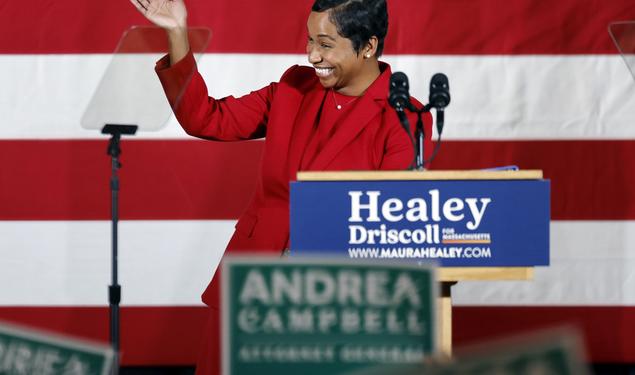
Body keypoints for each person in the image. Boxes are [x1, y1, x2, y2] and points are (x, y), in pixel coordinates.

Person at [130, 0, 433, 373]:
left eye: (325, 43)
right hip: (252, 281)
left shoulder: (404, 118)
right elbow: (205, 118)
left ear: (368, 46)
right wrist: (177, 32)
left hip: (332, 298)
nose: (311, 55)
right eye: (309, 41)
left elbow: (390, 224)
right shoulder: (293, 87)